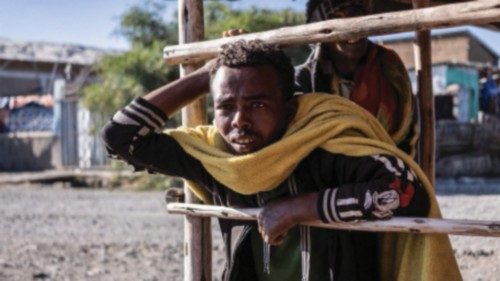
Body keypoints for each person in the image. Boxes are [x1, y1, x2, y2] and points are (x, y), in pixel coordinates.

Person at [102, 40, 459, 281]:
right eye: (226, 107)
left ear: (289, 109)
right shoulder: (216, 159)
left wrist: (300, 207)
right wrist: (204, 76)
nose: (239, 121)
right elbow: (120, 138)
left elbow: (409, 192)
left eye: (257, 104)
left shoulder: (324, 147)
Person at [295, 0, 419, 157]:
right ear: (322, 31)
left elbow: (410, 133)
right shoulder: (306, 81)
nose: (349, 28)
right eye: (337, 19)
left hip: (394, 171)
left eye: (355, 16)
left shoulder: (391, 70)